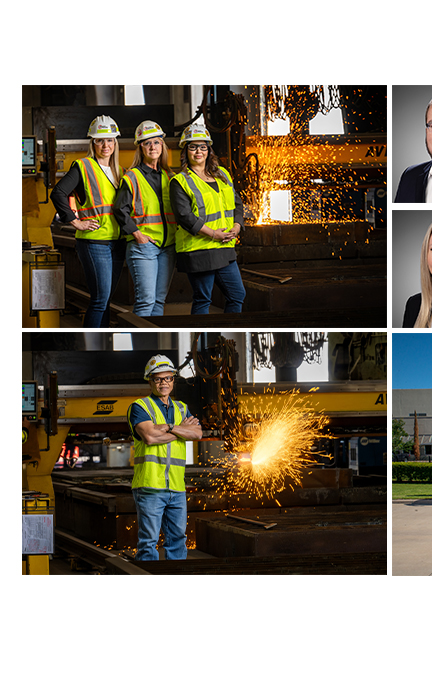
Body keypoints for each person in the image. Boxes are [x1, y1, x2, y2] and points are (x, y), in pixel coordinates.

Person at [50, 115, 126, 327]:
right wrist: (75, 221)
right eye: (100, 140)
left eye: (110, 140)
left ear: (115, 143)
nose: (105, 145)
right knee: (100, 300)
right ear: (92, 143)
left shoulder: (120, 171)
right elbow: (58, 193)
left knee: (106, 300)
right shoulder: (83, 166)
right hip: (94, 242)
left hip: (117, 243)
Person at [128, 355, 202, 560]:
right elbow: (150, 437)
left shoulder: (181, 408)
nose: (164, 383)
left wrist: (169, 427)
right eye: (158, 379)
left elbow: (197, 434)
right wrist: (180, 430)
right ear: (150, 381)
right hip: (150, 486)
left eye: (168, 378)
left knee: (178, 540)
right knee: (148, 543)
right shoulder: (140, 407)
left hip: (177, 487)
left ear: (173, 380)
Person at [170, 122, 245, 315]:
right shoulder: (180, 181)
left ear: (208, 150)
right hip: (199, 249)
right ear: (185, 151)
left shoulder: (222, 174)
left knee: (237, 295)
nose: (198, 152)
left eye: (203, 147)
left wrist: (236, 227)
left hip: (224, 247)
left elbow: (237, 203)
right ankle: (200, 340)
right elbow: (184, 216)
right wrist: (213, 234)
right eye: (193, 147)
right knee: (203, 299)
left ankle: (225, 334)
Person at [114, 121, 177, 318]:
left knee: (159, 301)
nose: (152, 147)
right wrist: (137, 234)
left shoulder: (169, 176)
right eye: (147, 143)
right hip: (144, 246)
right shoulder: (132, 176)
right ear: (140, 147)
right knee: (146, 301)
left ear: (162, 146)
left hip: (168, 247)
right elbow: (119, 209)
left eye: (156, 142)